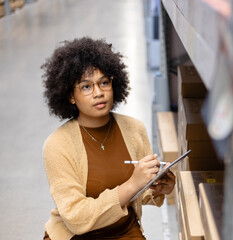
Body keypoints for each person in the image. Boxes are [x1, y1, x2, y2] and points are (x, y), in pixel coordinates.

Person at [41, 37, 175, 240]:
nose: (98, 93)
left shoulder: (134, 129)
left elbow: (142, 194)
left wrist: (157, 186)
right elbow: (76, 219)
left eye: (104, 83)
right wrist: (131, 184)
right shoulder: (58, 144)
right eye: (86, 87)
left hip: (124, 231)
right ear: (70, 96)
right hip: (75, 235)